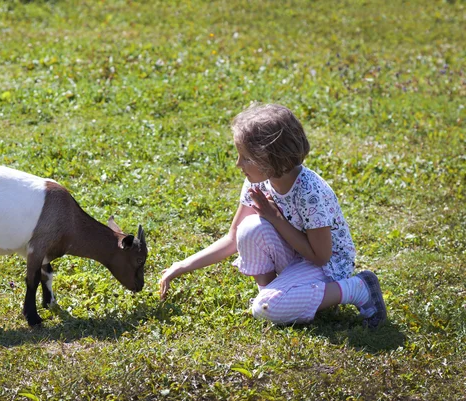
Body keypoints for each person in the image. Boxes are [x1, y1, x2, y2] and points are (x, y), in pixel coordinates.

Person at [159, 104, 387, 328]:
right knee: (249, 229)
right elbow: (233, 239)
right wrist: (181, 266)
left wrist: (274, 217)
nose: (238, 164)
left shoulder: (309, 192)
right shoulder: (256, 182)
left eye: (246, 158)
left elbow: (321, 257)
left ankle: (358, 288)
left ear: (272, 159)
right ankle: (279, 296)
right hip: (296, 256)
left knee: (264, 309)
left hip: (330, 267)